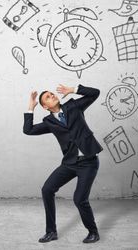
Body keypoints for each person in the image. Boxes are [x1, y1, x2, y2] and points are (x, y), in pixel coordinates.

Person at [23, 84, 103, 243]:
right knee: (47, 189)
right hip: (70, 163)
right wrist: (31, 107)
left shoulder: (74, 106)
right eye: (47, 97)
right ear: (45, 106)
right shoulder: (49, 122)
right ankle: (51, 232)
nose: (51, 95)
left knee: (79, 199)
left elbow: (95, 93)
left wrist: (74, 89)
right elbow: (28, 130)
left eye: (52, 94)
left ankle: (93, 232)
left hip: (88, 162)